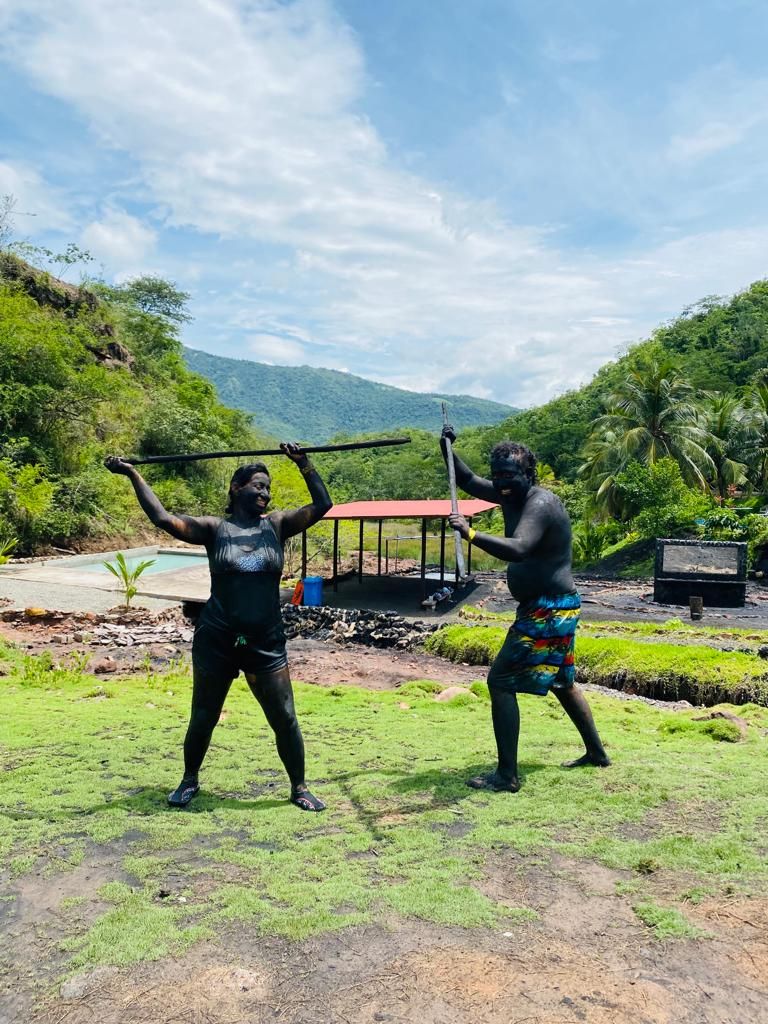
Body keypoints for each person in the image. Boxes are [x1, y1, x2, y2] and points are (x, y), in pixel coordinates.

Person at [104, 443, 332, 812]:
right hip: (217, 639)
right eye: (257, 486)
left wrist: (303, 463)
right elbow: (163, 518)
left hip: (265, 641)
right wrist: (132, 473)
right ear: (236, 488)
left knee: (285, 717)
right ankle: (189, 780)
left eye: (268, 487)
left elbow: (323, 505)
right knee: (204, 716)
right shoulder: (214, 529)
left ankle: (299, 788)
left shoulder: (277, 526)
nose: (265, 493)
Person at [440, 426, 609, 792]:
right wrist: (446, 447)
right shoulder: (509, 494)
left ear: (528, 474)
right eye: (497, 475)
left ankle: (507, 776)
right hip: (546, 607)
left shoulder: (540, 503)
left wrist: (470, 534)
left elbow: (519, 548)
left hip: (549, 611)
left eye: (509, 475)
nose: (501, 482)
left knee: (500, 681)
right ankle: (597, 753)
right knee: (563, 682)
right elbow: (466, 480)